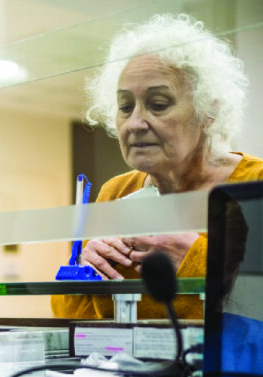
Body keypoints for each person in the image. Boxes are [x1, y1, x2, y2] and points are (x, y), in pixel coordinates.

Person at [51, 13, 263, 319]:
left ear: (208, 112)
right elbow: (72, 321)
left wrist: (198, 260)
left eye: (158, 104)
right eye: (125, 107)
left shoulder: (254, 185)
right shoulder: (116, 191)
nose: (135, 123)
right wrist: (85, 271)